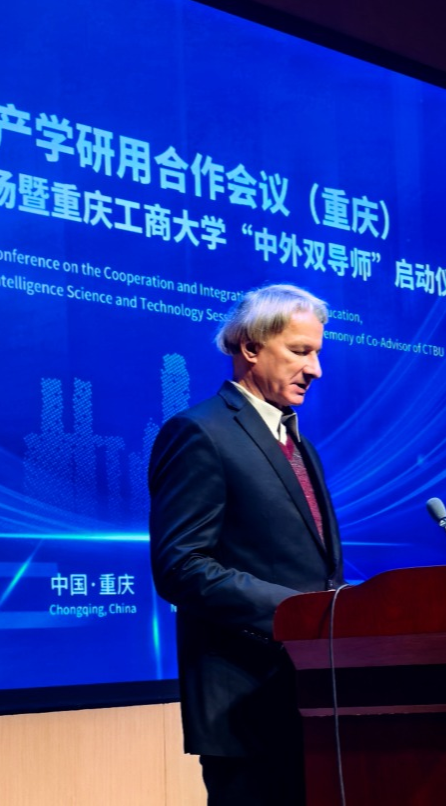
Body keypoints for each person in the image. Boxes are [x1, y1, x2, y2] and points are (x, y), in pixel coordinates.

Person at [149, 283, 344, 806]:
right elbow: (181, 565)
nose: (315, 369)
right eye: (300, 351)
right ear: (251, 347)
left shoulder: (299, 443)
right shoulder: (199, 432)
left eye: (317, 353)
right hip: (246, 706)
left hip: (311, 698)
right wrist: (302, 614)